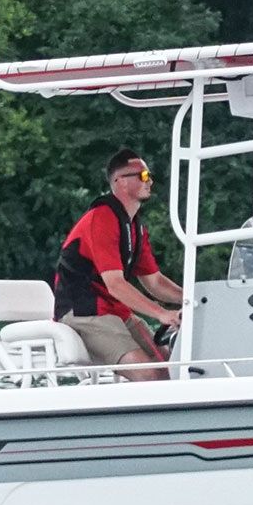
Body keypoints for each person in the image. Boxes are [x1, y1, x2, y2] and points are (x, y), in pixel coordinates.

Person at [53, 149, 184, 381]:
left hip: (115, 311)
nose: (150, 181)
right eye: (143, 176)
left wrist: (195, 299)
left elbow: (154, 282)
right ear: (121, 182)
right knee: (149, 374)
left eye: (149, 175)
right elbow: (115, 284)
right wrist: (162, 313)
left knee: (171, 368)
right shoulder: (102, 218)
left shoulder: (135, 229)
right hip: (84, 311)